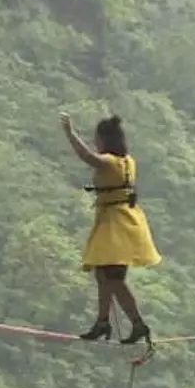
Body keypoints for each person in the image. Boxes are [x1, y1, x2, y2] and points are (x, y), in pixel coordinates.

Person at [60, 112, 161, 346]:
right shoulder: (128, 162)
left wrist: (70, 133)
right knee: (103, 274)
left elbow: (87, 156)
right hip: (121, 221)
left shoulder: (111, 162)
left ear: (106, 140)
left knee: (114, 277)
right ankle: (103, 321)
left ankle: (138, 324)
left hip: (116, 225)